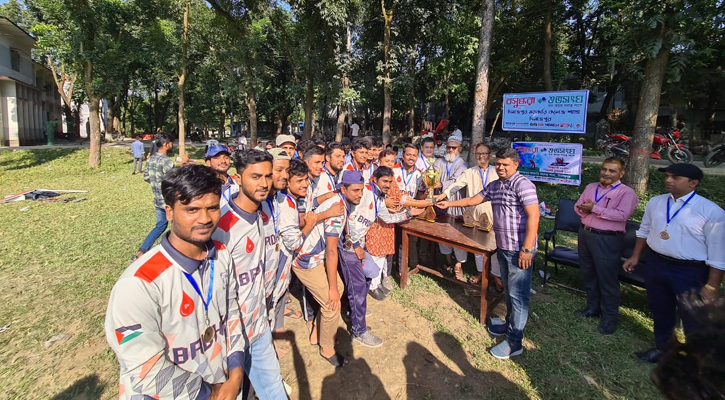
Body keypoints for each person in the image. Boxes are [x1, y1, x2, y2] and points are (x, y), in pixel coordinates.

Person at [105, 164, 244, 400]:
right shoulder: (139, 283)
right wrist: (210, 393)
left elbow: (232, 314)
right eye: (192, 209)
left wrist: (236, 374)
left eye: (212, 208)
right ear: (169, 212)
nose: (205, 219)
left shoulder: (221, 254)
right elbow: (146, 370)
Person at [438, 148, 540, 359]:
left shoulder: (523, 185)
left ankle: (514, 342)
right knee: (510, 291)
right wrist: (449, 203)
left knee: (518, 295)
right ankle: (508, 325)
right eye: (500, 164)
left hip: (519, 249)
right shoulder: (496, 185)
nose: (501, 168)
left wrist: (527, 249)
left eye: (506, 165)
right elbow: (473, 200)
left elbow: (534, 217)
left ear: (516, 165)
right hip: (503, 246)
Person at [624, 164, 725, 363]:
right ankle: (664, 349)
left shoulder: (711, 212)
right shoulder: (656, 202)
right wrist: (636, 256)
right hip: (656, 263)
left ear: (693, 183)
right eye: (667, 176)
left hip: (689, 271)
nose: (668, 180)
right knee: (660, 310)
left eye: (675, 177)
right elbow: (644, 232)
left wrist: (712, 286)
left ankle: (697, 361)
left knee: (693, 317)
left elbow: (718, 254)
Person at [211, 150, 287, 399]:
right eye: (255, 176)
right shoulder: (223, 227)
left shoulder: (263, 213)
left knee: (274, 389)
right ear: (237, 177)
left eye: (267, 176)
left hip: (258, 322)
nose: (264, 183)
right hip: (229, 334)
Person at [338, 169, 421, 348]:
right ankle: (359, 331)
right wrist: (357, 246)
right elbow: (347, 220)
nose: (387, 185)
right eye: (384, 181)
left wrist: (408, 214)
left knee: (372, 272)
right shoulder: (363, 192)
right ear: (374, 179)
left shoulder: (378, 199)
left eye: (390, 182)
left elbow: (388, 218)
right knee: (358, 287)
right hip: (347, 245)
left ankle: (350, 308)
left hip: (358, 243)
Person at [287, 161, 348, 367]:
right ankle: (327, 347)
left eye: (306, 179)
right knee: (331, 304)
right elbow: (331, 251)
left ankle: (317, 332)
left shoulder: (311, 195)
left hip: (312, 255)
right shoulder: (286, 202)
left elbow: (313, 206)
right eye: (299, 180)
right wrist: (327, 213)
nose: (305, 184)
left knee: (337, 291)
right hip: (305, 259)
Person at [573, 158, 638, 334]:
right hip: (586, 233)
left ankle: (609, 318)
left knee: (607, 278)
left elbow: (621, 215)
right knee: (588, 273)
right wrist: (583, 208)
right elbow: (578, 207)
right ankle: (593, 308)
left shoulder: (626, 193)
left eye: (612, 171)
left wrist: (595, 209)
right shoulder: (591, 187)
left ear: (621, 174)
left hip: (607, 238)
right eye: (604, 169)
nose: (607, 173)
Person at [435, 143, 502, 289]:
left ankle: (496, 276)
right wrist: (445, 195)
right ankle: (480, 273)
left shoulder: (496, 172)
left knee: (495, 247)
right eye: (478, 154)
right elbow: (457, 185)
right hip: (474, 216)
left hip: (493, 215)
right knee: (478, 247)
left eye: (484, 153)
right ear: (474, 155)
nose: (481, 156)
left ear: (490, 156)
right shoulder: (470, 172)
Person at [131, 134, 189, 262]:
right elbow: (176, 178)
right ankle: (178, 252)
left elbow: (146, 177)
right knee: (178, 226)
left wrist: (156, 183)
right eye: (171, 143)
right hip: (169, 201)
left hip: (157, 200)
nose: (172, 145)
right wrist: (184, 165)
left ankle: (141, 251)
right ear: (166, 144)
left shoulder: (150, 159)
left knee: (160, 225)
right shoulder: (166, 161)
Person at [434, 135, 469, 278]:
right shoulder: (439, 161)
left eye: (453, 147)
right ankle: (447, 261)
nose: (450, 150)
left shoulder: (463, 164)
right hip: (439, 202)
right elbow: (433, 173)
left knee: (457, 234)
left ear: (459, 149)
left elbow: (457, 180)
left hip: (455, 201)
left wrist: (442, 185)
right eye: (448, 147)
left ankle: (458, 264)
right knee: (443, 231)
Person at [205, 144, 238, 209]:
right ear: (208, 162)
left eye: (226, 157)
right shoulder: (203, 186)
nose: (223, 161)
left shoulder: (238, 183)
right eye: (217, 157)